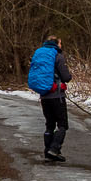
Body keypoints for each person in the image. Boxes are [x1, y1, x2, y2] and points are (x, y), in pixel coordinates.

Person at [27, 34, 72, 162]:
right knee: (62, 124)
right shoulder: (57, 56)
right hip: (57, 96)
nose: (61, 46)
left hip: (44, 95)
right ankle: (54, 149)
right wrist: (67, 77)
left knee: (49, 125)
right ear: (56, 44)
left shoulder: (39, 54)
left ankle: (48, 152)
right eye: (60, 43)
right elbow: (66, 77)